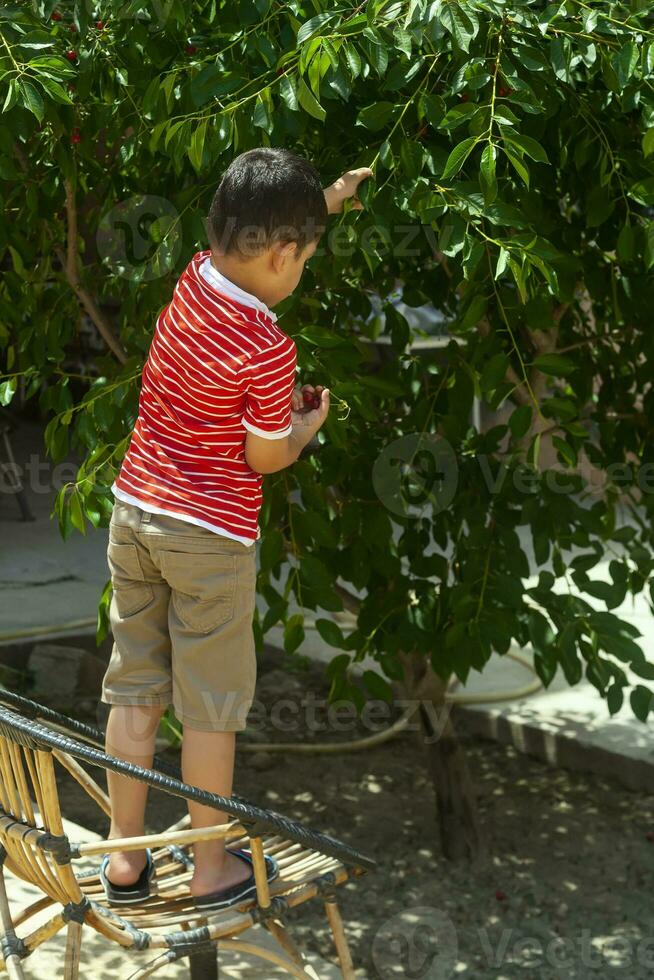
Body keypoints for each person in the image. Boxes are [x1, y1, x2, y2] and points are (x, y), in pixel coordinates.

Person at [99, 148, 371, 911]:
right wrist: (306, 426)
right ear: (283, 252)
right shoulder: (267, 347)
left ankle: (124, 860)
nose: (302, 269)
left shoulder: (193, 277)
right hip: (208, 541)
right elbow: (265, 457)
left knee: (136, 690)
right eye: (305, 256)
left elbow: (260, 229)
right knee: (211, 707)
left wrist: (330, 203)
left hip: (135, 513)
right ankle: (211, 867)